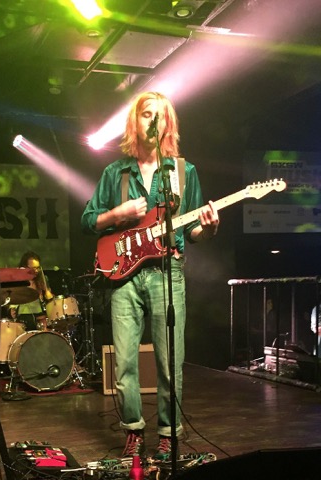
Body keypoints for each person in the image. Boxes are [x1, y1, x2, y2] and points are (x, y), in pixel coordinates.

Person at [80, 91, 219, 459]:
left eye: (159, 115)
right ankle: (133, 430)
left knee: (170, 362)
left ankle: (169, 434)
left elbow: (192, 231)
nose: (153, 121)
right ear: (135, 121)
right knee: (124, 362)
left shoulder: (184, 173)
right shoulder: (115, 173)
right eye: (146, 114)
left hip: (166, 273)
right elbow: (88, 220)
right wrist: (118, 214)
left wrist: (208, 228)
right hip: (124, 277)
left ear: (168, 123)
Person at [14, 251, 55, 331]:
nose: (36, 271)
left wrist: (46, 291)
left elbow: (50, 300)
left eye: (38, 268)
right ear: (24, 267)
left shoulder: (42, 279)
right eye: (33, 268)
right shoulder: (18, 280)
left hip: (40, 316)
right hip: (23, 315)